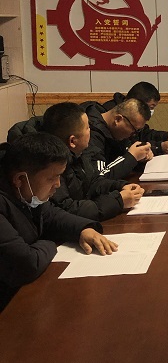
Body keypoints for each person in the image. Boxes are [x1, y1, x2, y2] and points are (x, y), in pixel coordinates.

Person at [0, 133, 118, 311]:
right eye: (52, 178)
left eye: (60, 177)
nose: (57, 184)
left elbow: (50, 215)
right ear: (20, 179)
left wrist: (82, 230)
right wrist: (50, 242)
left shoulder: (27, 192)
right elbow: (25, 265)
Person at [42, 103, 143, 220]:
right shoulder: (51, 167)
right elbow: (67, 209)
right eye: (87, 127)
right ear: (72, 141)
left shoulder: (78, 154)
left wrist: (121, 186)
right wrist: (118, 201)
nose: (91, 130)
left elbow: (93, 182)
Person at [81, 98, 153, 180]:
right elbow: (98, 178)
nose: (133, 134)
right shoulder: (91, 135)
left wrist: (140, 157)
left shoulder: (116, 133)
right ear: (118, 119)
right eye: (134, 129)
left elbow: (120, 160)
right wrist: (132, 157)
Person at [102, 81, 168, 154]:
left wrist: (167, 137)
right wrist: (159, 147)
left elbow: (144, 133)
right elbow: (128, 147)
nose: (150, 111)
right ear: (138, 103)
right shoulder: (113, 113)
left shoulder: (131, 112)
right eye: (150, 107)